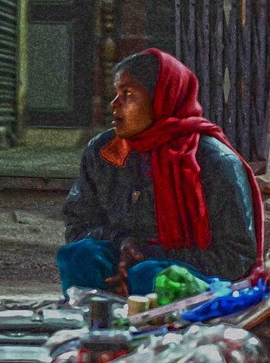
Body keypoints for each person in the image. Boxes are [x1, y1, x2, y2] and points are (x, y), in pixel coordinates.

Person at [59, 49, 264, 296]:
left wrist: (146, 256)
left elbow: (236, 255)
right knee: (79, 256)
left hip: (188, 272)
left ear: (161, 99)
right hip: (121, 255)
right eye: (116, 93)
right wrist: (124, 242)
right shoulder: (104, 152)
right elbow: (78, 225)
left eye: (128, 94)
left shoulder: (215, 161)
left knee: (150, 275)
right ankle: (98, 318)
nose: (115, 104)